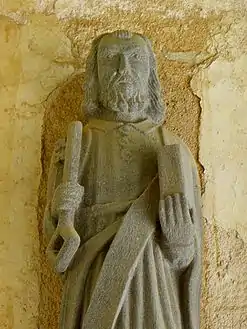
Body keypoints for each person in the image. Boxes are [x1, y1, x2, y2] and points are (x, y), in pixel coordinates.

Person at [44, 30, 202, 329]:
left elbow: (187, 262)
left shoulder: (173, 149)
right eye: (110, 59)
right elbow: (58, 247)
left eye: (135, 59)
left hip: (157, 288)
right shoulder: (78, 144)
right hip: (96, 280)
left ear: (150, 75)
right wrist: (61, 210)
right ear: (96, 76)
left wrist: (180, 243)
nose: (123, 70)